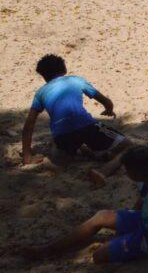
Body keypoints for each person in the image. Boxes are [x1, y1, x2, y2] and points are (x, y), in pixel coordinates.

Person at [19, 145, 148, 269]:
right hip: (147, 221)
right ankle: (48, 249)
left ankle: (134, 244)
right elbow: (141, 200)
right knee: (101, 216)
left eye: (128, 170)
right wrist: (130, 218)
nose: (126, 173)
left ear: (138, 171)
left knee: (99, 256)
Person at [21, 54, 131, 188]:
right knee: (128, 146)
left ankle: (88, 152)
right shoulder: (75, 80)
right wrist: (109, 109)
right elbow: (105, 101)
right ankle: (103, 171)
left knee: (64, 152)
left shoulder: (40, 93)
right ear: (64, 69)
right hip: (86, 126)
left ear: (43, 76)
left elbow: (29, 125)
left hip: (62, 136)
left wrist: (27, 156)